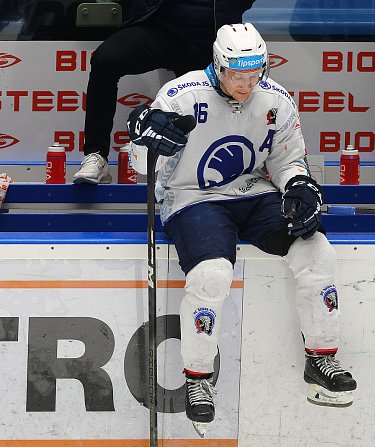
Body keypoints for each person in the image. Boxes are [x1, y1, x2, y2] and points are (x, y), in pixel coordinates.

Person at [126, 23, 357, 435]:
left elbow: (289, 160)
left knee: (318, 251)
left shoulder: (276, 98)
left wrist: (300, 185)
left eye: (255, 75)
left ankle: (320, 360)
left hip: (252, 193)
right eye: (238, 76)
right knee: (212, 273)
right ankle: (198, 380)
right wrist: (144, 138)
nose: (247, 85)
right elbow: (141, 165)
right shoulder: (182, 94)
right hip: (191, 196)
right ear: (218, 65)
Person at [73, 0, 255, 184]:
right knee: (105, 60)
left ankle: (229, 168)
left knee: (233, 85)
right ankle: (96, 155)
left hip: (212, 36)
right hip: (160, 28)